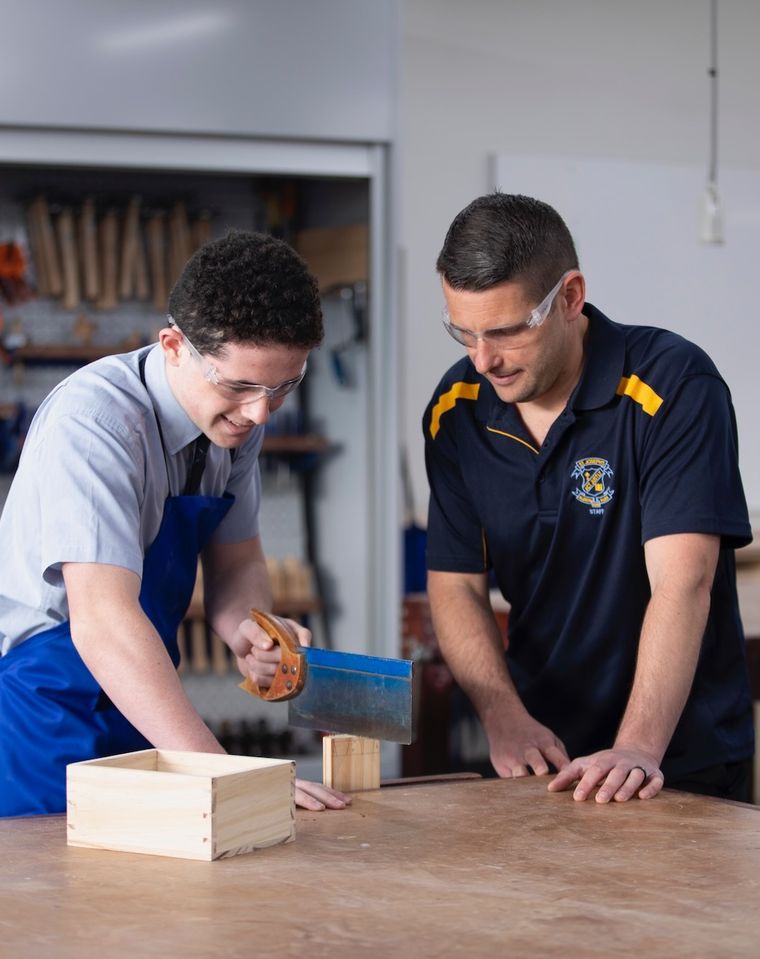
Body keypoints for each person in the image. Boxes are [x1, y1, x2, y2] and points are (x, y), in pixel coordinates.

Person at [0, 230, 350, 816]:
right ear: (173, 345)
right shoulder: (95, 424)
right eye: (238, 385)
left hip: (141, 693)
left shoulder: (237, 423)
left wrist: (255, 633)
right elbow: (105, 622)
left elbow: (237, 562)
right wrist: (229, 776)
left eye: (284, 385)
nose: (260, 412)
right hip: (42, 707)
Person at [423, 192, 754, 804]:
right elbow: (458, 585)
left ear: (569, 297)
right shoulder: (456, 411)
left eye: (505, 331)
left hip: (677, 759)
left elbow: (682, 583)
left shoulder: (673, 386)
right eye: (463, 332)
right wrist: (503, 715)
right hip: (545, 756)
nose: (483, 359)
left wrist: (636, 747)